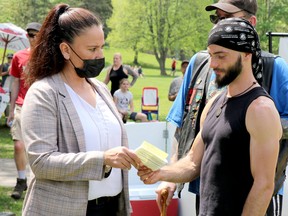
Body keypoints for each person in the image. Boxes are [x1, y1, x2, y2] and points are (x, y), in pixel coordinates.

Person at [138, 18, 282, 215]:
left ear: (247, 54)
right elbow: (192, 162)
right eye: (211, 55)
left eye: (221, 56)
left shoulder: (260, 109)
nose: (213, 64)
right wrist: (161, 173)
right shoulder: (215, 101)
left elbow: (264, 186)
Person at [20, 4, 141, 216]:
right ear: (66, 50)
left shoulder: (101, 89)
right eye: (92, 49)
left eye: (102, 47)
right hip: (67, 209)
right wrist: (102, 159)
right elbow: (41, 162)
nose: (100, 55)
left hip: (112, 206)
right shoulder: (44, 93)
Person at [6, 22, 41, 200]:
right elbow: (15, 82)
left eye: (35, 34)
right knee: (19, 145)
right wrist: (11, 109)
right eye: (30, 34)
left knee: (37, 148)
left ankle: (38, 182)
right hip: (21, 104)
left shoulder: (46, 57)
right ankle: (21, 180)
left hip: (40, 107)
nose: (32, 37)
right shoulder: (18, 57)